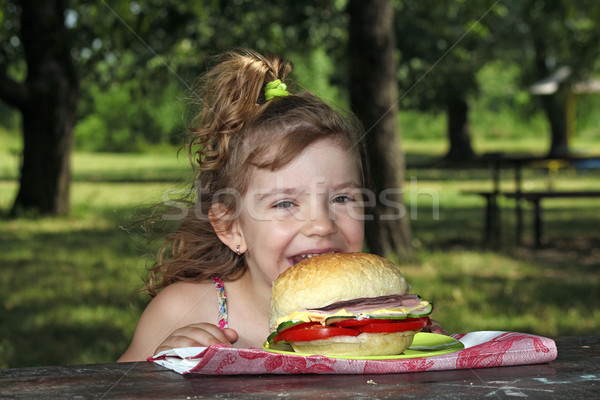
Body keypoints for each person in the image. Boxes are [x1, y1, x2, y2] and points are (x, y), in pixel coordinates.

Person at [118, 49, 368, 361]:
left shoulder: (377, 310)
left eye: (341, 198)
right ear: (232, 228)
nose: (322, 225)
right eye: (286, 203)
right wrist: (163, 372)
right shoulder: (184, 311)